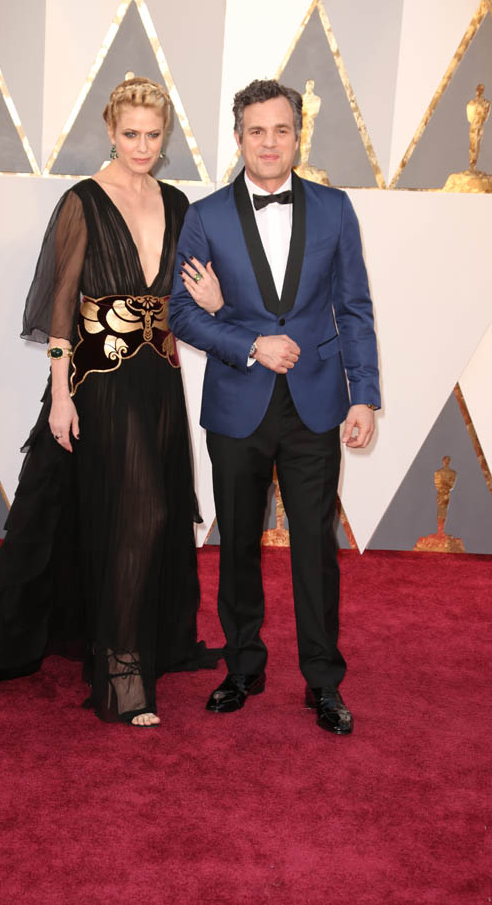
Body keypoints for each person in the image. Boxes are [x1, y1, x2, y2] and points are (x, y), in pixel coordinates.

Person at [0, 76, 219, 727]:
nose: (142, 146)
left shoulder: (177, 203)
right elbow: (60, 310)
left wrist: (213, 304)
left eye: (152, 135)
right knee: (136, 514)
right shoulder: (83, 201)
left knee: (158, 514)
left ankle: (146, 641)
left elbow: (186, 304)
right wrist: (59, 396)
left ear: (165, 135)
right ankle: (121, 677)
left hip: (160, 381)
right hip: (99, 382)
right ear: (110, 130)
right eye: (130, 134)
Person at [169, 79, 380, 735]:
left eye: (280, 130)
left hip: (317, 403)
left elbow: (353, 308)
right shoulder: (205, 217)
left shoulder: (335, 209)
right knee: (237, 541)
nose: (268, 142)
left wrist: (365, 395)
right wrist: (250, 344)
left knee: (314, 547)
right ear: (238, 138)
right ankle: (243, 667)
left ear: (297, 136)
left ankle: (323, 681)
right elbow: (181, 313)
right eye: (256, 131)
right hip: (238, 404)